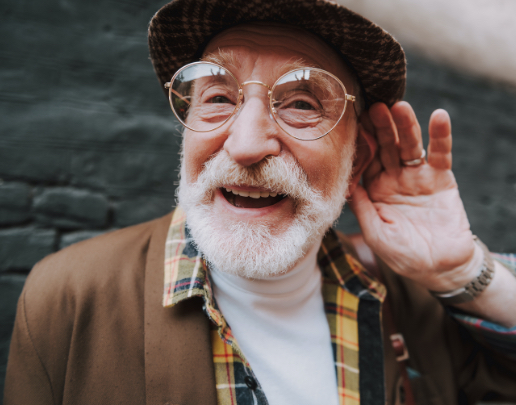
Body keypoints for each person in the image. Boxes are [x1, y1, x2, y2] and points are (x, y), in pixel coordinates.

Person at [5, 0, 516, 404]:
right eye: (219, 98)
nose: (246, 144)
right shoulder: (69, 301)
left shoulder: (416, 304)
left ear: (355, 159)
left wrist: (463, 271)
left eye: (301, 104)